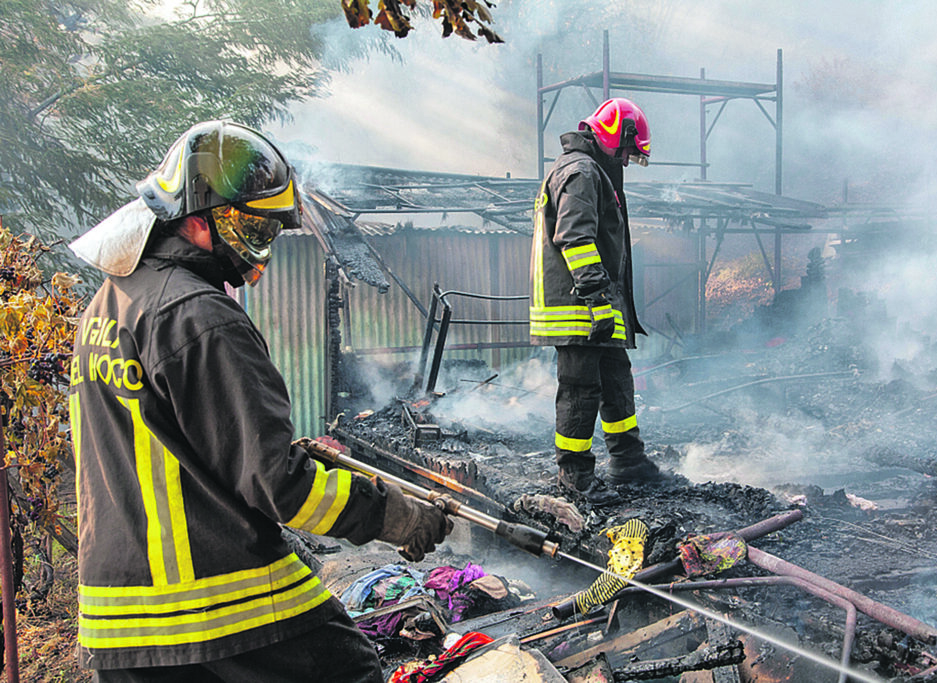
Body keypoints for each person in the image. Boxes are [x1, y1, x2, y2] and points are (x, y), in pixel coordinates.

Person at [68, 120, 452, 682]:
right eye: (251, 227)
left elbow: (173, 444)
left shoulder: (112, 303)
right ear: (196, 220)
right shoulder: (197, 316)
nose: (260, 249)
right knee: (352, 672)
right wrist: (396, 516)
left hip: (117, 619)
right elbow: (281, 486)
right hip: (211, 604)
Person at [529, 98, 663, 505]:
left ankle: (628, 461)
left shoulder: (592, 171)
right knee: (580, 388)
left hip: (596, 305)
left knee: (617, 380)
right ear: (614, 135)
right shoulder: (581, 171)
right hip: (579, 307)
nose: (625, 160)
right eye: (626, 150)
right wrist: (598, 300)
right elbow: (575, 238)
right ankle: (575, 478)